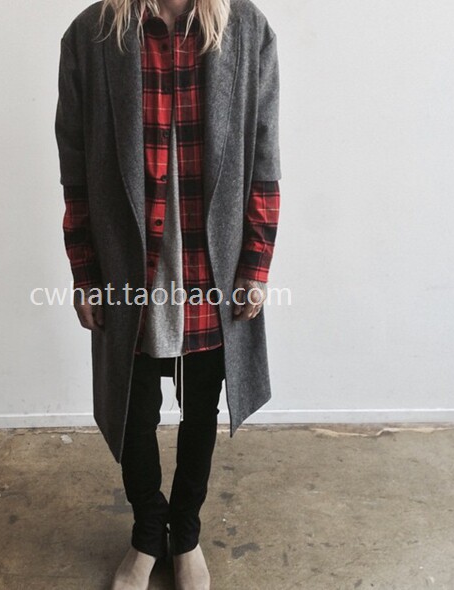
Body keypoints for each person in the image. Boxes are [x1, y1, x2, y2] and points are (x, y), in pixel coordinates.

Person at [55, 0, 282, 588]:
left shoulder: (246, 30)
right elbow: (74, 168)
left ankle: (186, 534)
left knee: (201, 406)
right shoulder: (93, 34)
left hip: (212, 267)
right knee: (134, 411)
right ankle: (147, 532)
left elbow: (264, 158)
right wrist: (85, 271)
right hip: (127, 267)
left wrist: (255, 266)